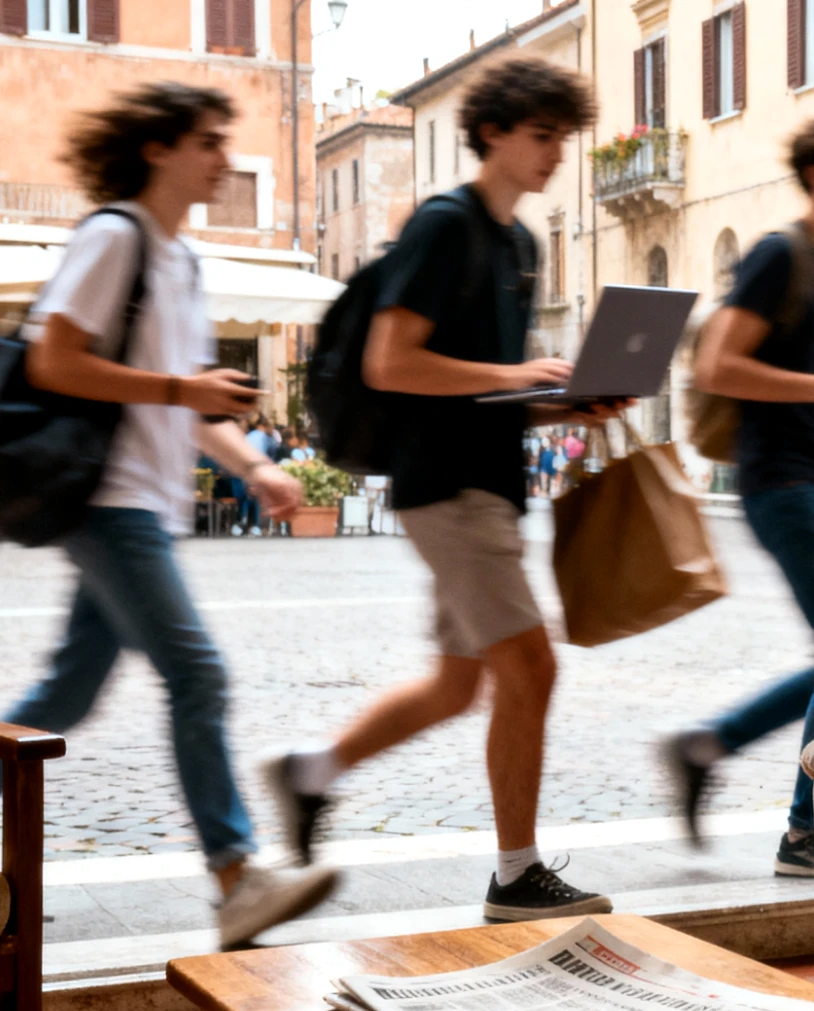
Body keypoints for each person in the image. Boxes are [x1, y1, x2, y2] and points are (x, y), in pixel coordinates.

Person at [261, 58, 624, 922]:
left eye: (563, 139)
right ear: (493, 132)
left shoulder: (519, 245)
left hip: (489, 481)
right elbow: (392, 362)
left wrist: (563, 404)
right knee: (531, 664)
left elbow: (486, 395)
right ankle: (515, 874)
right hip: (445, 487)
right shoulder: (445, 226)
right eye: (543, 136)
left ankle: (308, 773)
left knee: (459, 685)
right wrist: (516, 372)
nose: (554, 155)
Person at [0, 82, 340, 946]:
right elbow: (55, 360)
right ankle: (234, 875)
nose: (224, 160)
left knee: (65, 691)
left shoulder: (180, 261)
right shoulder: (115, 237)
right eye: (210, 143)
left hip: (140, 501)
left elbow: (193, 404)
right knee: (198, 673)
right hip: (107, 501)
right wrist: (181, 388)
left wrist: (258, 466)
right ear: (159, 149)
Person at [666, 115, 814, 877]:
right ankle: (803, 834)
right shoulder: (777, 257)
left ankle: (706, 745)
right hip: (777, 479)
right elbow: (718, 365)